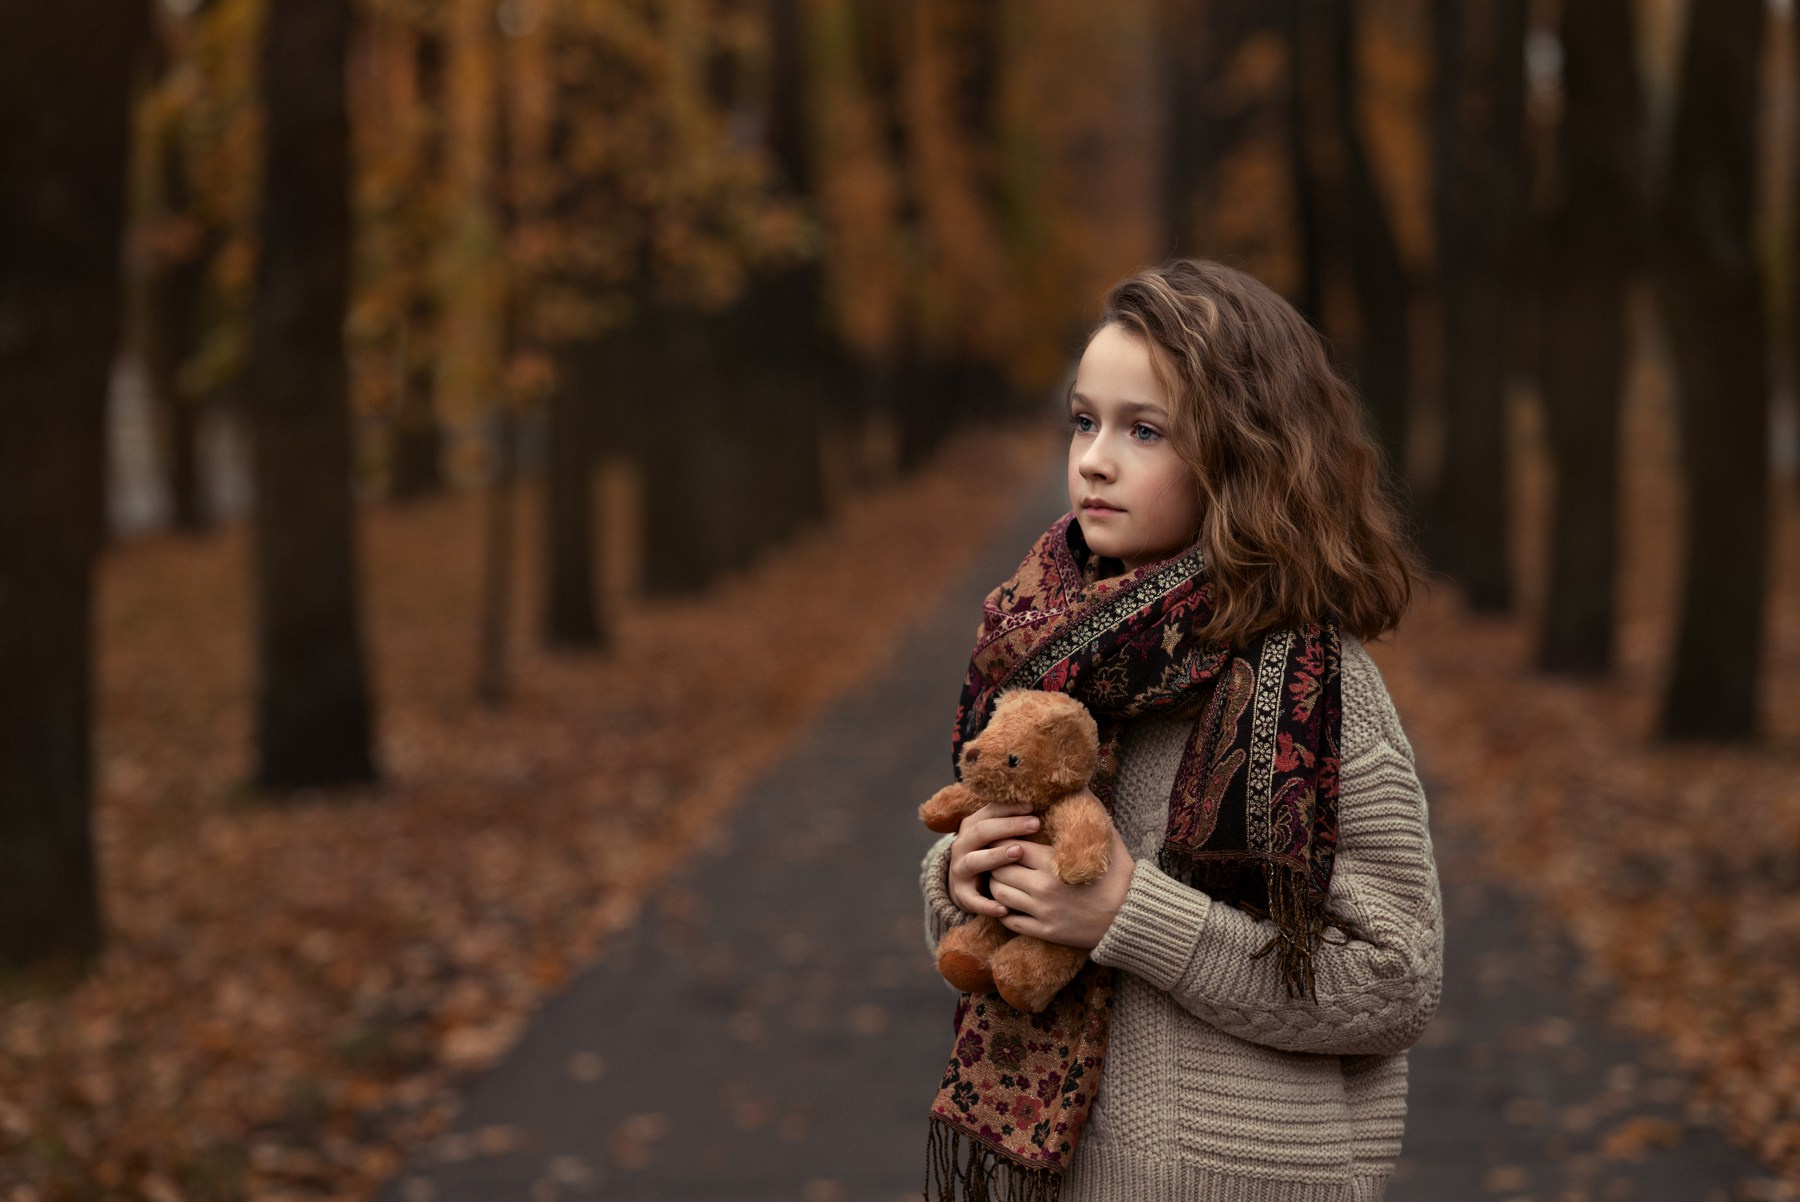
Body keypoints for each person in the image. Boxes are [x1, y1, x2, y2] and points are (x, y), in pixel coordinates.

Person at [919, 258, 1443, 1202]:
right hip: (1061, 1178)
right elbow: (984, 923)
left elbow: (1398, 980)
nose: (1094, 458)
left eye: (1144, 431)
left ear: (1245, 457)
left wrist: (1133, 916)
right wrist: (960, 880)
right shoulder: (1042, 656)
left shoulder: (1321, 692)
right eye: (1085, 420)